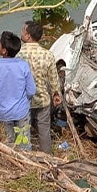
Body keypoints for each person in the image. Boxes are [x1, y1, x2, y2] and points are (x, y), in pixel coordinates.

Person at [0, 31, 36, 150]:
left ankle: (11, 162)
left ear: (4, 51)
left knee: (9, 141)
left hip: (3, 112)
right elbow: (31, 91)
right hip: (22, 111)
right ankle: (27, 163)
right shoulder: (23, 65)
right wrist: (24, 102)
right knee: (24, 142)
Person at [20, 21, 62, 154]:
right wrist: (56, 94)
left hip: (24, 101)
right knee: (44, 131)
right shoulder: (48, 55)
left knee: (23, 130)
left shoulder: (19, 55)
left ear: (28, 36)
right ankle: (47, 157)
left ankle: (25, 155)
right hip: (43, 100)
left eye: (23, 30)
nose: (21, 33)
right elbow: (54, 80)